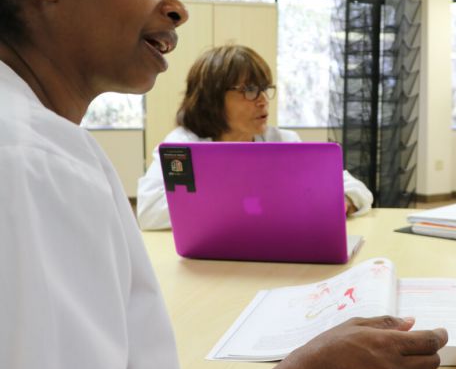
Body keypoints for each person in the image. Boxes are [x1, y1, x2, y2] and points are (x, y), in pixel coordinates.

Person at [0, 0, 446, 369]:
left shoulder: (50, 147)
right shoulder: (33, 159)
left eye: (265, 90)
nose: (177, 8)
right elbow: (151, 212)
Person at [136, 44, 374, 230]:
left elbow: (356, 188)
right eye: (249, 90)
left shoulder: (282, 142)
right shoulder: (183, 146)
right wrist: (252, 200)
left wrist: (344, 200)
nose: (263, 100)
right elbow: (150, 212)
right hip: (210, 258)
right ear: (212, 99)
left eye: (264, 89)